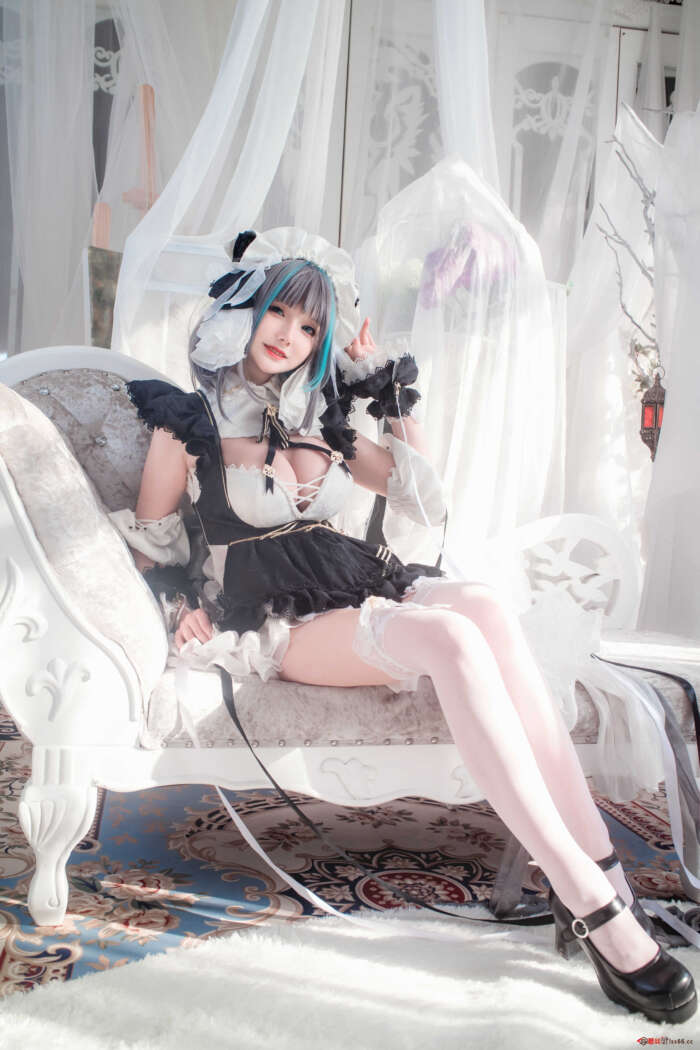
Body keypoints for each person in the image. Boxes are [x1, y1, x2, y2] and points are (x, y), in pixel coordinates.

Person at [111, 226, 695, 1024]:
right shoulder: (186, 422)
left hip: (354, 582)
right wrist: (182, 605)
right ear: (242, 310)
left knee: (484, 606)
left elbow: (424, 497)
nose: (290, 335)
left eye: (310, 326)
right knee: (451, 638)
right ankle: (588, 896)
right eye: (277, 311)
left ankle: (603, 870)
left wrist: (381, 387)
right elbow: (152, 541)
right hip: (273, 619)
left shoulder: (324, 421)